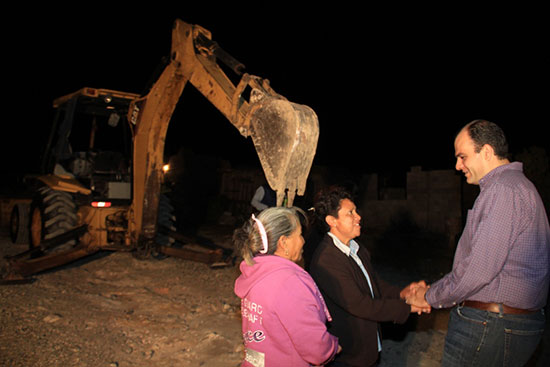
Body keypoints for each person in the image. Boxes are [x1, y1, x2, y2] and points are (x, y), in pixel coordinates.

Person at [407, 119, 550, 366]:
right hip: (503, 324)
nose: (457, 165)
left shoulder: (503, 190)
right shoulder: (515, 187)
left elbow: (478, 271)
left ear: (486, 151)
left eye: (462, 157)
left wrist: (428, 296)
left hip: (492, 325)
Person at [309, 185, 430, 367]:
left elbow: (374, 284)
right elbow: (360, 305)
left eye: (356, 211)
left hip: (366, 349)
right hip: (348, 356)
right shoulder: (327, 260)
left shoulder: (356, 248)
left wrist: (402, 293)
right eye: (350, 213)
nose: (358, 217)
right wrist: (408, 306)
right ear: (332, 221)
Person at [233, 206, 341, 366]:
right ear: (283, 242)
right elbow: (315, 348)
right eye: (299, 234)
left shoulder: (256, 271)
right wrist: (333, 347)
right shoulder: (288, 282)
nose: (303, 240)